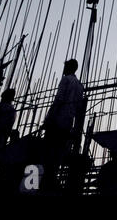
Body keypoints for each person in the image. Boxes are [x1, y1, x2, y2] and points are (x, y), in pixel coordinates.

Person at [42, 59, 84, 191]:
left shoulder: (65, 80)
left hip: (57, 120)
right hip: (67, 122)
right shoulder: (79, 85)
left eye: (65, 66)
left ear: (69, 68)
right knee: (59, 153)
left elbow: (59, 99)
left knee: (48, 152)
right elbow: (79, 107)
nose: (64, 69)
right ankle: (52, 179)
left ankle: (45, 181)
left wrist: (49, 118)